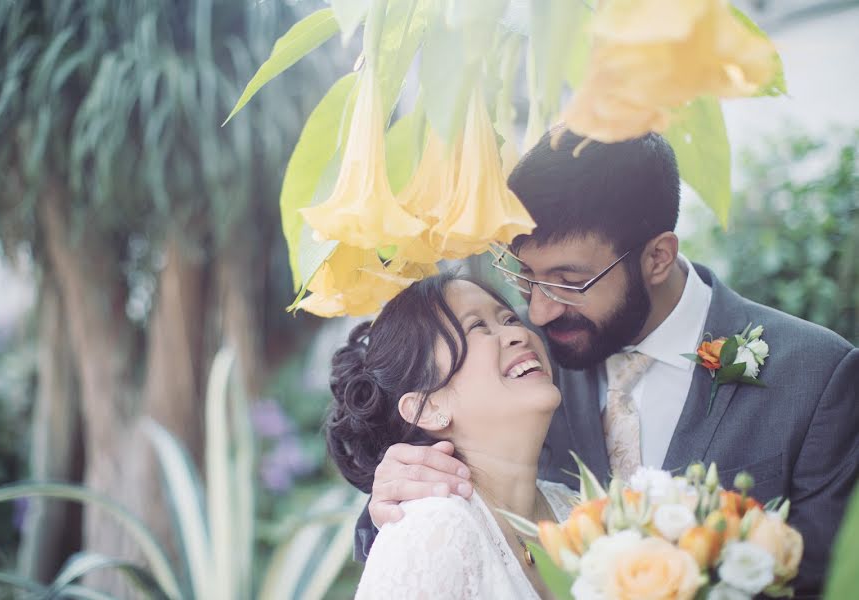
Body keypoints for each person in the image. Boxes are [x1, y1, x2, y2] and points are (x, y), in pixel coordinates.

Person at [354, 129, 859, 597]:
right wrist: (390, 502)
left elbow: (828, 578)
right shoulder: (524, 372)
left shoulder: (815, 377)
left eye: (569, 281)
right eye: (525, 275)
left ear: (658, 257)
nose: (538, 310)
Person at [326, 272, 577, 598]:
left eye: (510, 318)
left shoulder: (580, 510)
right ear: (428, 407)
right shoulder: (430, 534)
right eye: (477, 327)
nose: (518, 333)